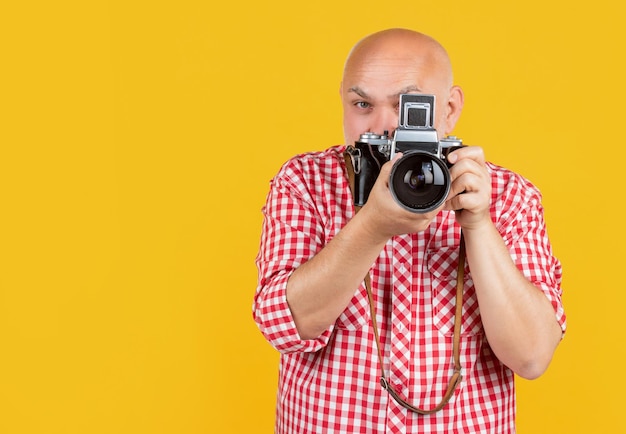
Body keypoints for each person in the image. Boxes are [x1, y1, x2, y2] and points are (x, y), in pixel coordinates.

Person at [253, 28, 566, 433]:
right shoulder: (304, 182)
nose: (384, 125)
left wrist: (478, 223)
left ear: (449, 108)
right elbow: (283, 325)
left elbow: (532, 356)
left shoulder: (508, 195)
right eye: (362, 104)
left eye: (406, 106)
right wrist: (370, 228)